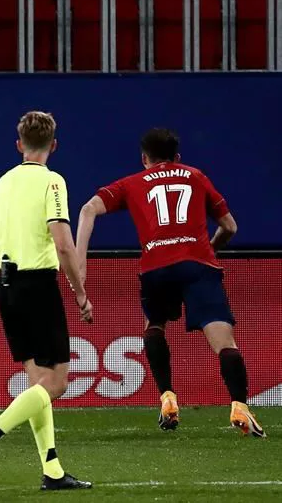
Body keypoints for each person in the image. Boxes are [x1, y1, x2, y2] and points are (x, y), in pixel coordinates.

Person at [75, 127, 265, 438]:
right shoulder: (196, 176)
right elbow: (230, 226)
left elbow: (87, 209)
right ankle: (239, 405)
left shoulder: (132, 182)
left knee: (154, 326)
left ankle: (167, 397)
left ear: (144, 158)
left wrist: (79, 266)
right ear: (177, 157)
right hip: (198, 265)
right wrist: (208, 249)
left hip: (156, 268)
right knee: (223, 341)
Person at [0, 112, 92, 492]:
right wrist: (80, 291)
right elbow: (63, 243)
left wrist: (6, 287)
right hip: (37, 284)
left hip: (5, 284)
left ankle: (52, 471)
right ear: (54, 145)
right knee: (56, 384)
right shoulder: (52, 182)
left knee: (38, 385)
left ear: (19, 144)